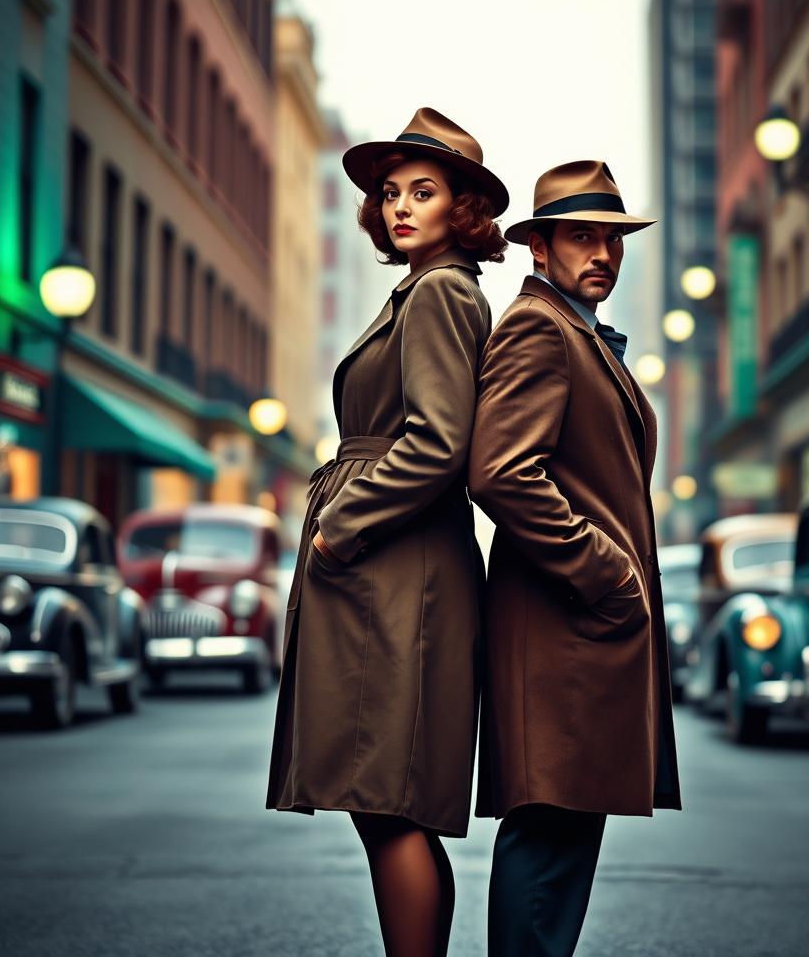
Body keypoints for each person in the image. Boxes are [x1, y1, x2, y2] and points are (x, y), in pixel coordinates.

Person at [266, 107, 509, 957]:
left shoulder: (442, 291)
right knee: (385, 804)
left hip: (393, 567)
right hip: (390, 565)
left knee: (389, 800)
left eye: (426, 191)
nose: (400, 206)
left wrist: (341, 528)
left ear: (464, 209)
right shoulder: (423, 289)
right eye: (392, 192)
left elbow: (440, 443)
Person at [468, 160, 683, 957]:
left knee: (564, 841)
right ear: (540, 250)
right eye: (581, 237)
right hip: (562, 629)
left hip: (579, 635)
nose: (602, 253)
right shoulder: (539, 328)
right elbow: (500, 471)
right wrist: (607, 573)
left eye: (612, 239)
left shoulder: (580, 334)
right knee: (548, 836)